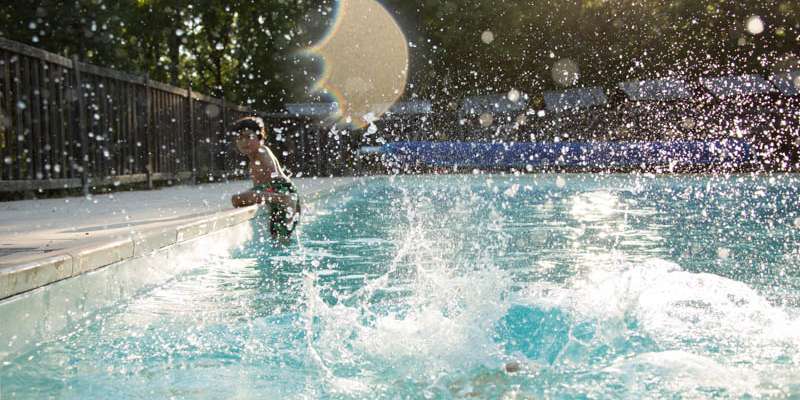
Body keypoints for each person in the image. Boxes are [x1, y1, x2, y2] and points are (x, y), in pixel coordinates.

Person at [230, 116, 301, 240]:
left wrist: (269, 194)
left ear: (260, 137)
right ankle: (282, 199)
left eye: (248, 136)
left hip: (280, 190)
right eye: (240, 138)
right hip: (279, 192)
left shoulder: (262, 152)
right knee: (279, 236)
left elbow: (274, 177)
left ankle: (282, 199)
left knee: (237, 199)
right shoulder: (254, 158)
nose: (244, 141)